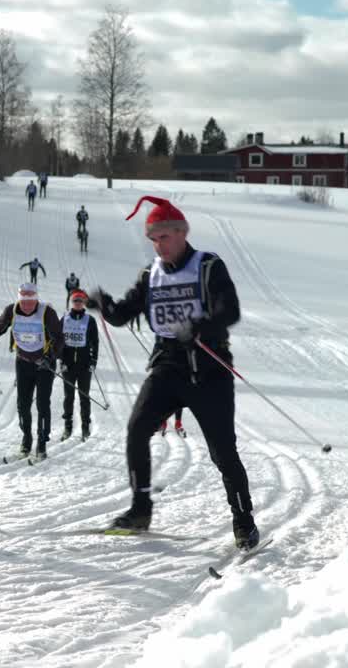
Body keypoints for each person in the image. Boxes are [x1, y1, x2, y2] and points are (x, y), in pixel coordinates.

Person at [93, 195, 258, 549]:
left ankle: (244, 520)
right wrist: (103, 304)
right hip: (167, 365)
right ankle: (140, 509)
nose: (158, 245)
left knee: (222, 452)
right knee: (137, 429)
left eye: (164, 237)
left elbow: (229, 311)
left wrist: (200, 326)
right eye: (153, 239)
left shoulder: (208, 266)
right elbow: (123, 314)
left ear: (182, 232)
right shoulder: (150, 274)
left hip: (208, 368)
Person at [0, 283, 64, 459]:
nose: (27, 305)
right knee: (23, 404)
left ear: (36, 299)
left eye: (31, 301)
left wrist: (50, 357)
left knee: (42, 403)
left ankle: (42, 444)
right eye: (24, 301)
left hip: (44, 364)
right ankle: (26, 440)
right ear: (19, 299)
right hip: (23, 362)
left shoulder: (47, 313)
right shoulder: (11, 311)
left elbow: (59, 339)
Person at [60, 290, 99, 441]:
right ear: (71, 302)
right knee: (68, 396)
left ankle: (85, 427)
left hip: (84, 365)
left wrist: (93, 361)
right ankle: (67, 427)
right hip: (68, 365)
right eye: (75, 300)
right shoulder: (64, 319)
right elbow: (58, 340)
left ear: (84, 303)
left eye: (80, 301)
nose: (78, 303)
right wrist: (60, 360)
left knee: (84, 396)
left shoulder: (90, 320)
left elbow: (95, 342)